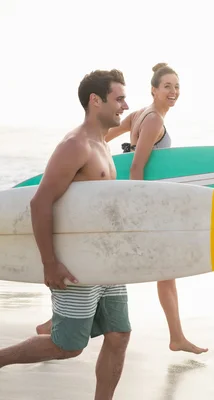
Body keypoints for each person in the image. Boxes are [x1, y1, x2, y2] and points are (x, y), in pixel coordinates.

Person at [36, 62, 208, 355]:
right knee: (165, 267)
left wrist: (93, 155)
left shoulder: (126, 123)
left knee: (133, 315)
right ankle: (176, 336)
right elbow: (137, 168)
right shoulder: (150, 120)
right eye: (167, 86)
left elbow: (103, 141)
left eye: (177, 86)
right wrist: (136, 211)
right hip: (138, 210)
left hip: (123, 221)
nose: (173, 91)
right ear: (153, 89)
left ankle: (176, 336)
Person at [0, 69, 132, 400]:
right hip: (76, 264)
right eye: (119, 98)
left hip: (105, 261)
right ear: (95, 100)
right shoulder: (76, 146)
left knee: (119, 334)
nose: (125, 105)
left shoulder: (102, 144)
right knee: (67, 346)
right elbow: (40, 202)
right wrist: (50, 263)